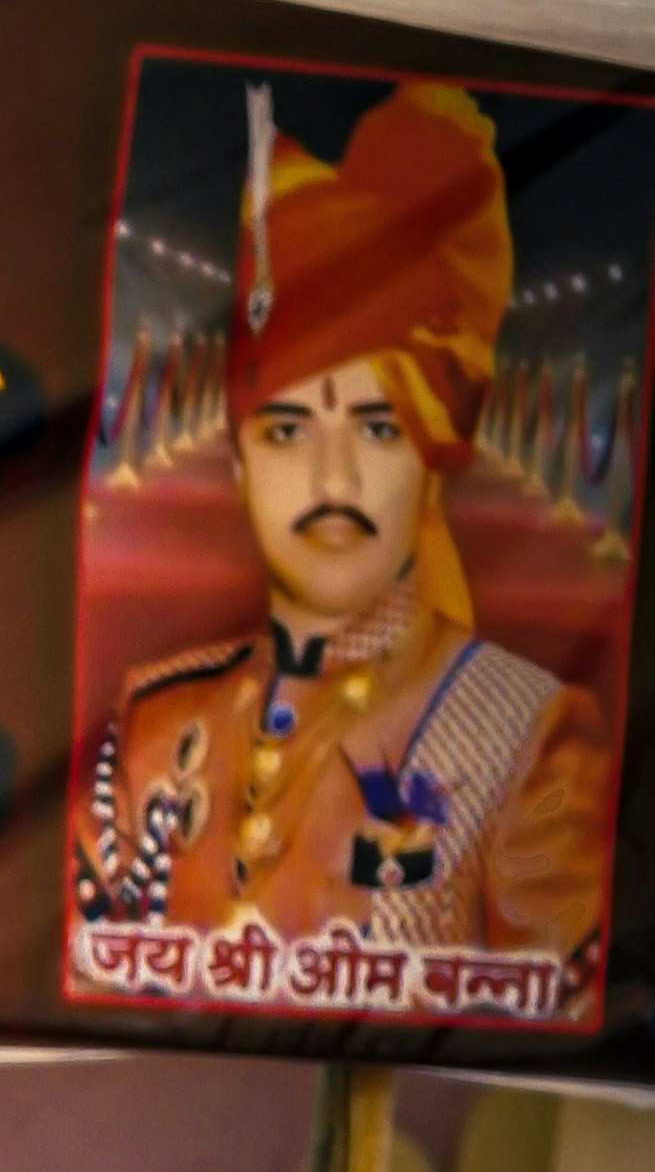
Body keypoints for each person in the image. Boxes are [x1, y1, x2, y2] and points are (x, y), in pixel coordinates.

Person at [76, 76, 611, 981]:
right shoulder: (155, 722)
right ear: (239, 463)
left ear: (430, 460)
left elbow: (546, 1022)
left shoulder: (529, 738)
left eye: (376, 427)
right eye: (287, 432)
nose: (331, 480)